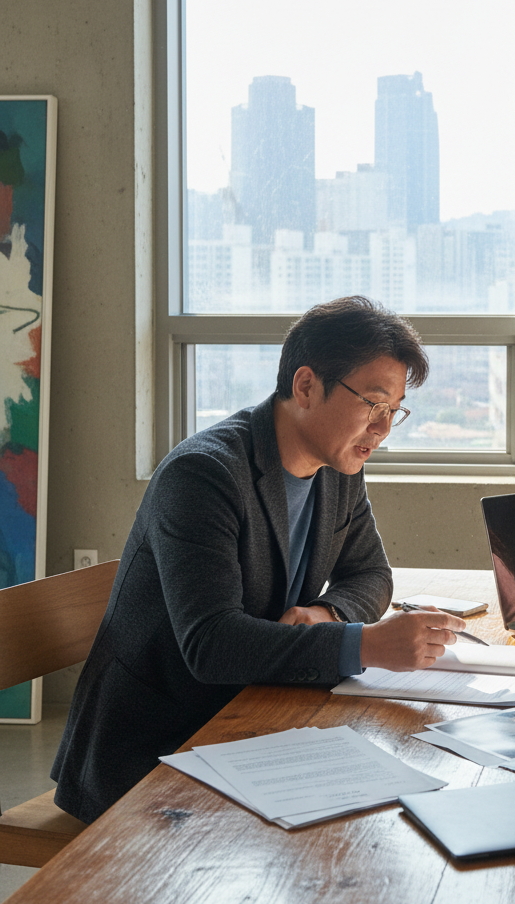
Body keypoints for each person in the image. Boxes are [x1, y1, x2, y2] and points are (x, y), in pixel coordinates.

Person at [52, 296, 465, 823]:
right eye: (372, 403)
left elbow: (370, 574)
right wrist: (362, 643)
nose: (382, 430)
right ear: (306, 385)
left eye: (394, 411)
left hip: (254, 720)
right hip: (156, 750)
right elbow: (212, 645)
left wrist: (330, 614)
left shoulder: (339, 468)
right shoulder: (203, 475)